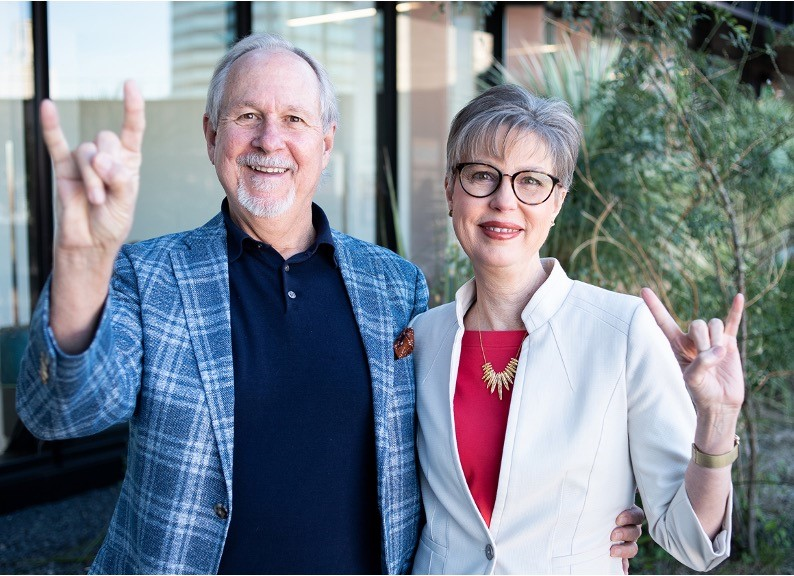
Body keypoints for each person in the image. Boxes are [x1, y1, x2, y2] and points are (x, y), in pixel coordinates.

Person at [15, 34, 643, 574]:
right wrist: (82, 258)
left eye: (294, 119)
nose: (269, 140)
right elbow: (59, 412)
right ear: (212, 136)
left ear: (326, 141)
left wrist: (587, 516)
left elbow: (460, 443)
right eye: (246, 116)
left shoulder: (394, 286)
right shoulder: (150, 276)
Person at [410, 84, 742, 574]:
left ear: (558, 200)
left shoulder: (622, 331)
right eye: (482, 176)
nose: (504, 200)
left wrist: (717, 420)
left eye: (530, 181)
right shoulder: (421, 339)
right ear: (450, 190)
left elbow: (689, 540)